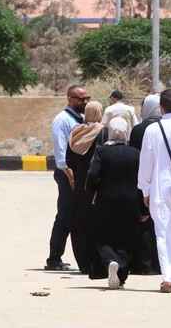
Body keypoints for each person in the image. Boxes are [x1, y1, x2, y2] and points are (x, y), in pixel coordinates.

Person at [86, 117, 141, 289]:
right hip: (131, 201)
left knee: (105, 235)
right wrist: (144, 207)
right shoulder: (135, 153)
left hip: (107, 200)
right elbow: (142, 179)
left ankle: (110, 261)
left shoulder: (102, 151)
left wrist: (91, 191)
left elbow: (93, 175)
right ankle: (121, 275)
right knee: (127, 236)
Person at [138, 89, 171, 293]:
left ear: (160, 107)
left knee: (163, 232)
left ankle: (167, 278)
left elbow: (146, 163)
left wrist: (145, 189)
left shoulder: (152, 130)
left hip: (160, 187)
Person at [45, 84, 88, 271]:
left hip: (79, 173)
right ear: (70, 98)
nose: (85, 102)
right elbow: (60, 148)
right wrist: (69, 173)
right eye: (81, 99)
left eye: (87, 98)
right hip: (68, 174)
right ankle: (54, 258)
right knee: (65, 216)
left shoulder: (82, 118)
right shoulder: (62, 120)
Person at [65, 100, 106, 273]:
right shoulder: (103, 131)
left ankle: (83, 262)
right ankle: (97, 262)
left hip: (80, 184)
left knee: (80, 222)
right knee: (98, 222)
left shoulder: (76, 132)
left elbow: (69, 160)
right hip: (98, 184)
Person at [129, 93, 161, 275]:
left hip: (144, 181)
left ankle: (144, 264)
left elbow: (136, 158)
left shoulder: (139, 129)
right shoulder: (168, 126)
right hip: (166, 181)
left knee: (144, 222)